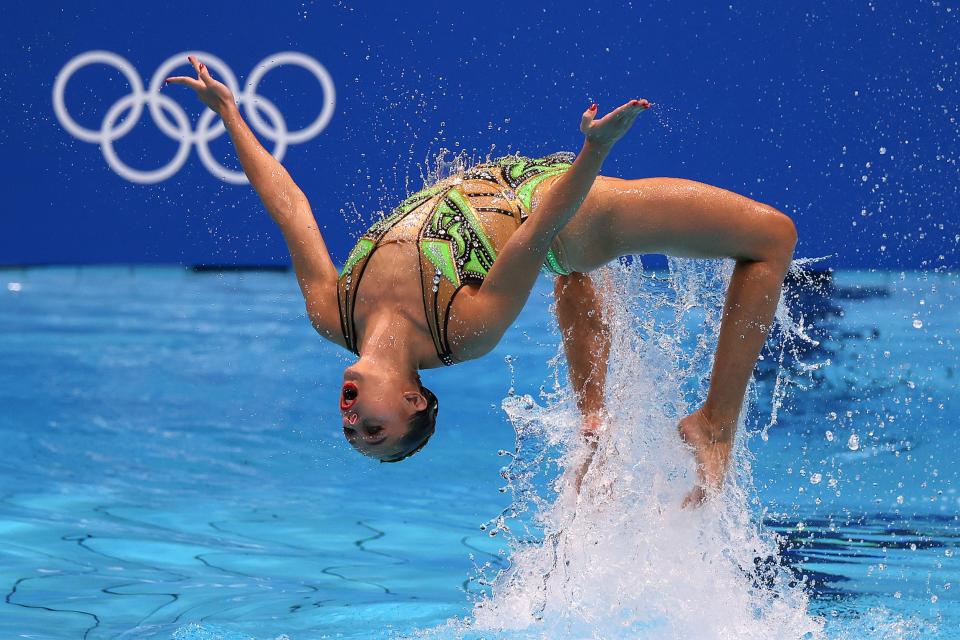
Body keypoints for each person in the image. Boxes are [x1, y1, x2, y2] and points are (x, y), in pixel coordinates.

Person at [168, 56, 797, 506]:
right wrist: (595, 152)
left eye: (349, 429)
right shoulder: (464, 332)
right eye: (373, 431)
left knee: (572, 280)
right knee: (771, 237)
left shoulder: (333, 314)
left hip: (515, 184)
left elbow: (291, 207)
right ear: (414, 402)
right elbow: (537, 235)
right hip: (554, 205)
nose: (352, 418)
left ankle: (595, 421)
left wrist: (229, 113)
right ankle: (714, 423)